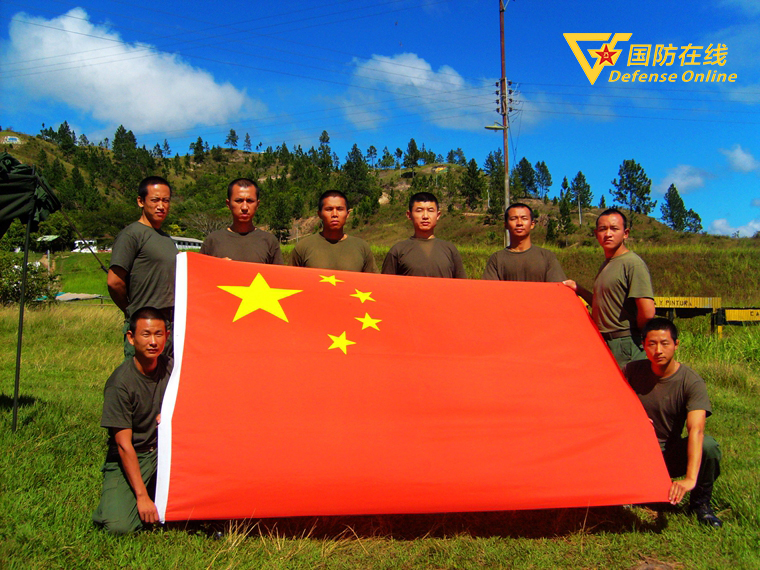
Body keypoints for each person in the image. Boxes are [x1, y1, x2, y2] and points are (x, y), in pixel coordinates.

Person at [624, 317, 723, 528]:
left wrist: (690, 478)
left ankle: (701, 505)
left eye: (665, 343)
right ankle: (628, 492)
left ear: (676, 344)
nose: (658, 350)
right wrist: (632, 419)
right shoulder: (630, 371)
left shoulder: (691, 381)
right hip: (634, 453)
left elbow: (696, 430)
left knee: (709, 446)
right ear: (643, 345)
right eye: (652, 344)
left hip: (668, 455)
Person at [92, 307, 173, 534]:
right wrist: (141, 496)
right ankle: (126, 500)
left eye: (158, 334)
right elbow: (123, 445)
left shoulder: (173, 369)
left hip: (168, 452)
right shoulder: (120, 383)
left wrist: (172, 416)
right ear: (131, 338)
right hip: (135, 454)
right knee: (119, 527)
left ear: (167, 336)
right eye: (146, 334)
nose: (153, 342)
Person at [563, 208, 655, 367]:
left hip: (625, 344)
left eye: (614, 228)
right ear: (596, 234)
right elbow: (603, 304)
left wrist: (634, 336)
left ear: (625, 233)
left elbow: (647, 312)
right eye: (602, 229)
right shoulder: (607, 265)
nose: (608, 234)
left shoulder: (632, 263)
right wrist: (578, 289)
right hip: (605, 342)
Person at [108, 176, 177, 358]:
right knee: (139, 375)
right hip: (144, 326)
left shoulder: (167, 239)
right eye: (155, 200)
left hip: (168, 326)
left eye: (166, 200)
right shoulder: (131, 235)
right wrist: (132, 311)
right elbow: (114, 282)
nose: (161, 206)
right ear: (141, 201)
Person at [381, 192, 466, 278]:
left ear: (438, 215)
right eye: (419, 211)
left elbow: (462, 284)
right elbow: (385, 284)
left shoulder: (450, 250)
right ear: (409, 215)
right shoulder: (398, 251)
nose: (425, 216)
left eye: (430, 210)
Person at [200, 178, 283, 264]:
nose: (244, 207)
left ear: (257, 204)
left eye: (250, 201)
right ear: (228, 204)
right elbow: (198, 270)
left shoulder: (269, 241)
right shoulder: (213, 241)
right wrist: (216, 266)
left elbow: (278, 272)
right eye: (239, 201)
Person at [290, 190, 376, 272]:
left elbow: (374, 280)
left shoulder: (362, 247)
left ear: (347, 214)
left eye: (340, 209)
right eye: (329, 209)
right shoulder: (303, 247)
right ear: (319, 214)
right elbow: (289, 279)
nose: (334, 214)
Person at [482, 202, 566, 282]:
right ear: (506, 225)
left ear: (532, 224)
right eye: (513, 219)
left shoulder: (547, 257)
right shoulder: (497, 259)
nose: (519, 223)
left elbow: (558, 288)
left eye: (524, 218)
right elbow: (490, 289)